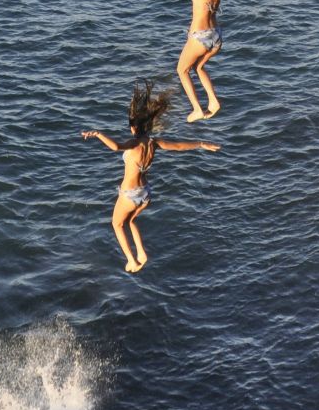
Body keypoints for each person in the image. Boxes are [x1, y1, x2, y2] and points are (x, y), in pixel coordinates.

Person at [80, 80, 220, 272]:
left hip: (129, 194)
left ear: (134, 128)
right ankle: (141, 253)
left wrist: (98, 134)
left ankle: (131, 260)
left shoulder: (133, 143)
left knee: (117, 224)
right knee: (130, 221)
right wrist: (201, 144)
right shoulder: (153, 143)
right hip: (145, 194)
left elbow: (115, 147)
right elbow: (178, 146)